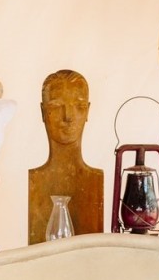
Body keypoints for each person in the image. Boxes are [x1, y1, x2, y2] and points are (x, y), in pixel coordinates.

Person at [28, 70, 103, 244]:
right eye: (56, 106)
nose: (68, 116)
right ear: (43, 112)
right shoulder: (37, 179)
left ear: (88, 112)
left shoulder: (94, 180)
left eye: (79, 107)